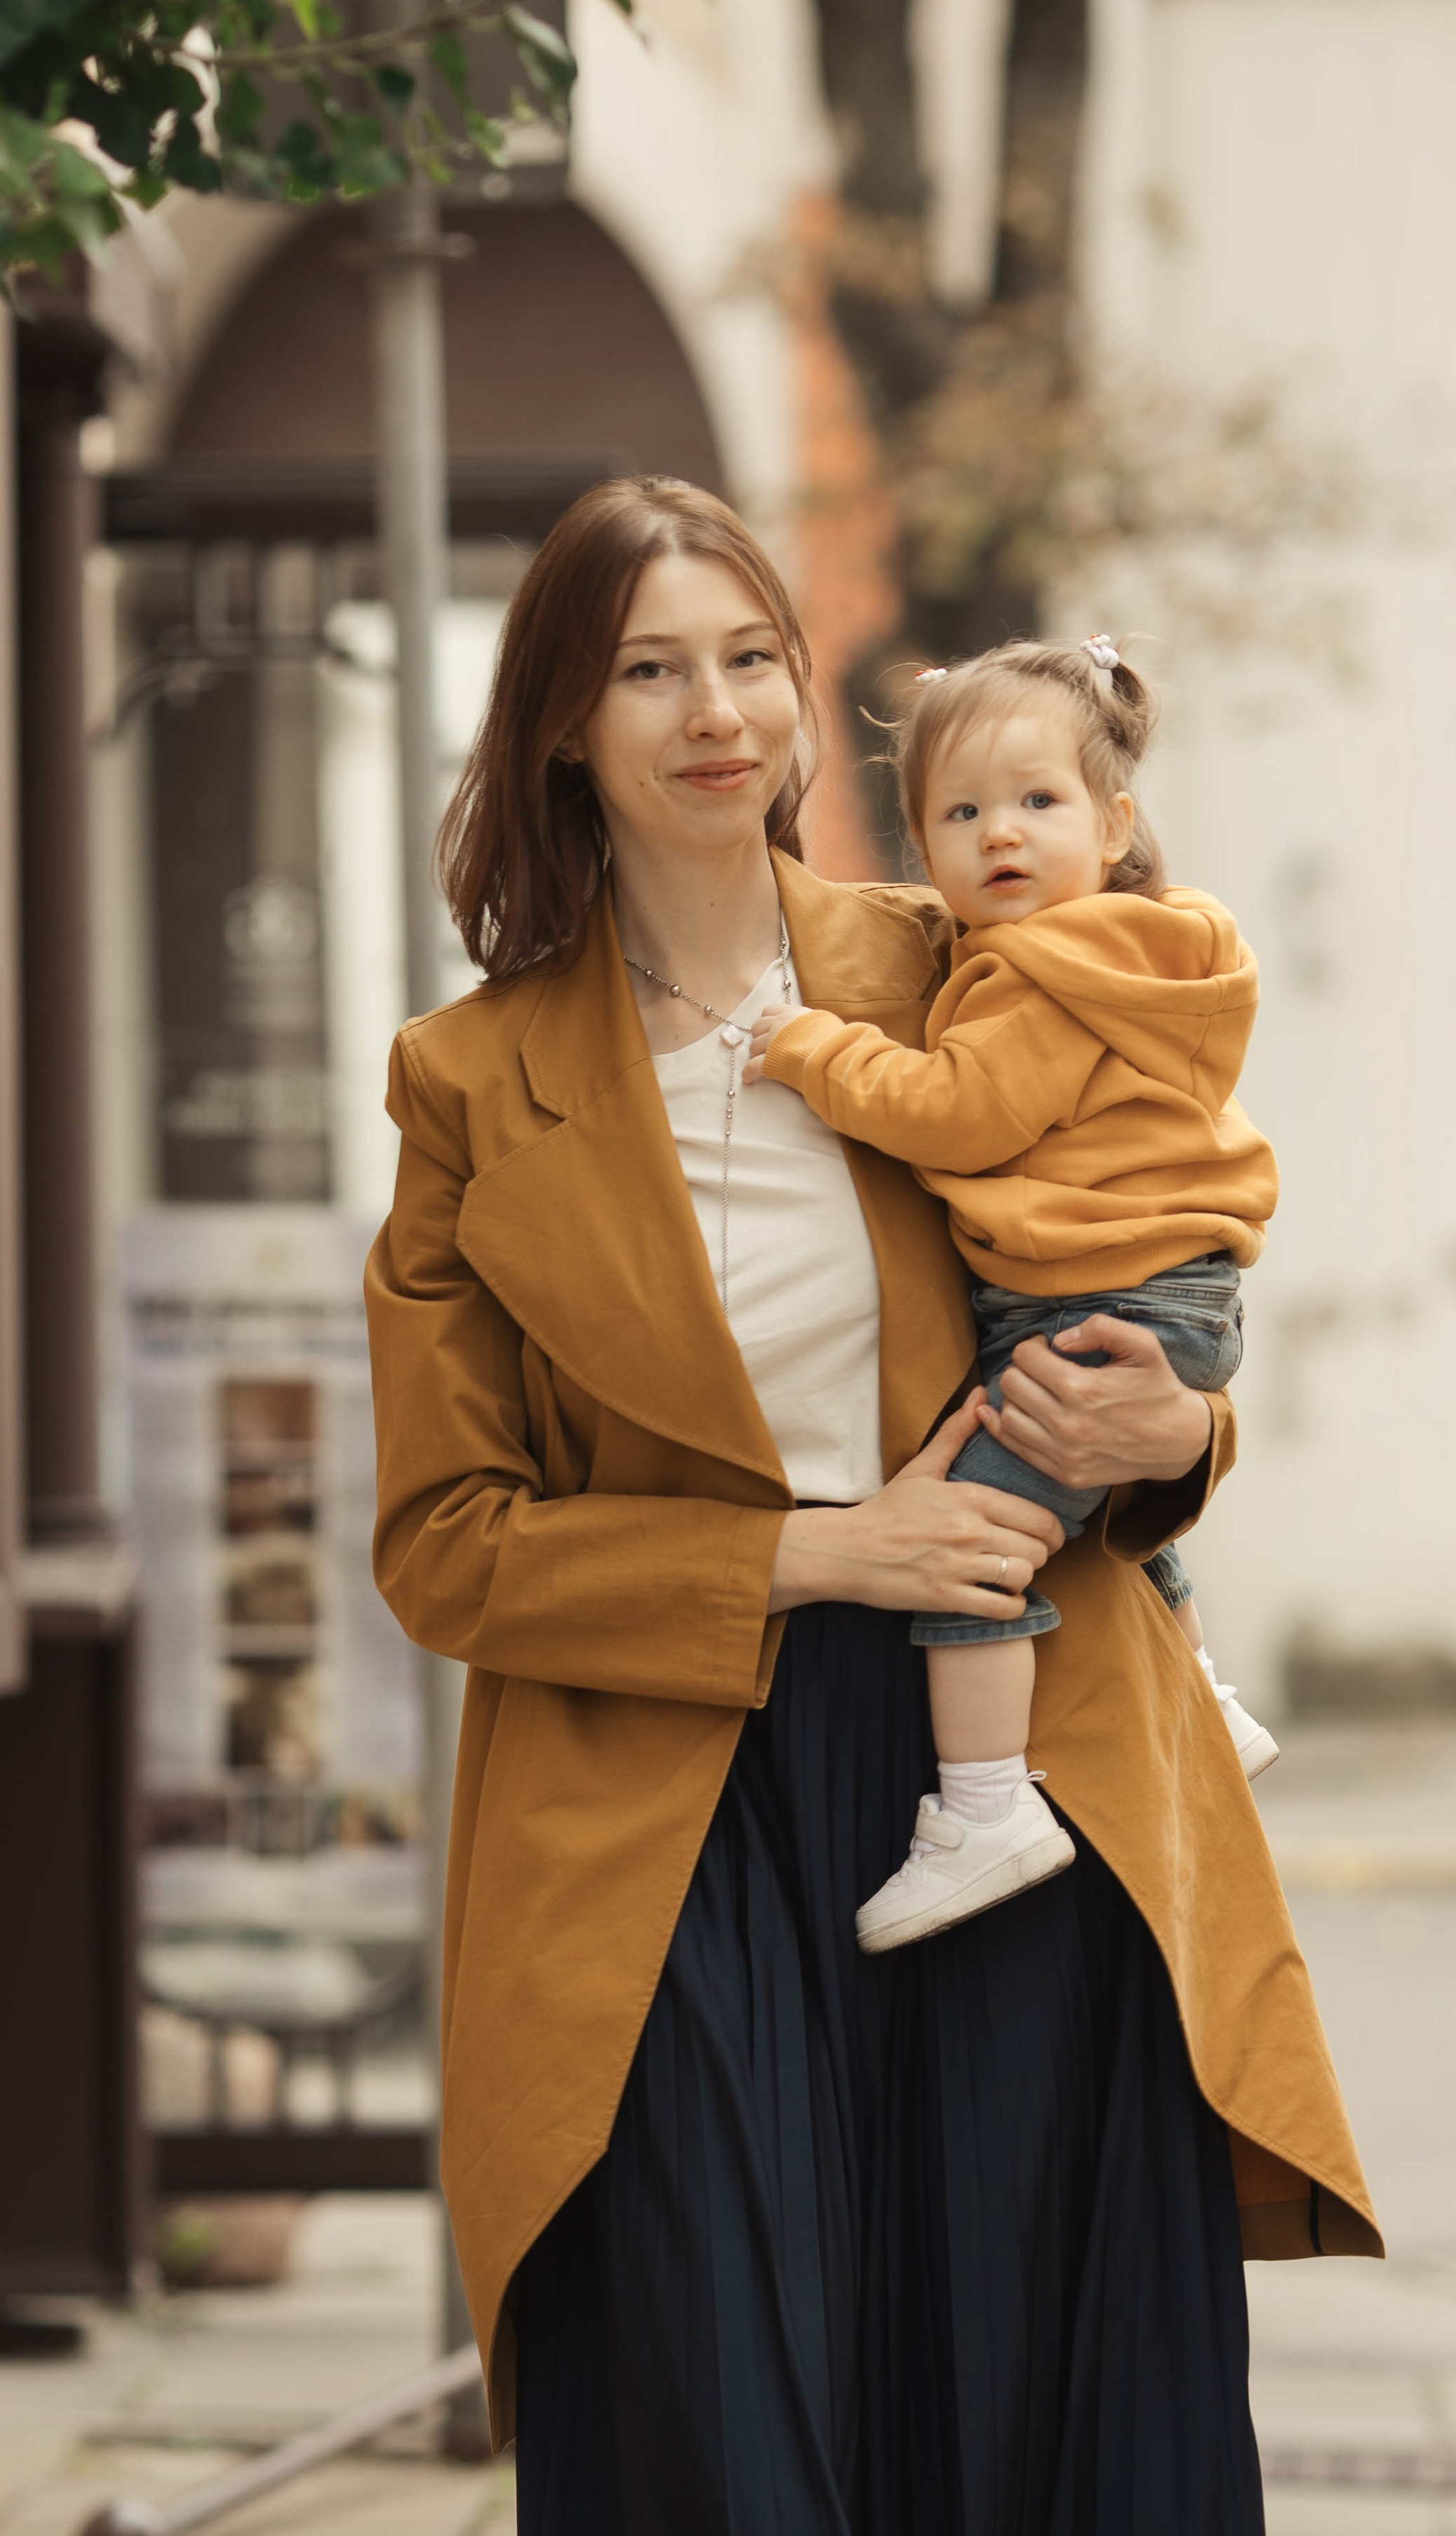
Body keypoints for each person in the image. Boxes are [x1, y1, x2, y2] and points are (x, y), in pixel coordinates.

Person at [365, 476, 1379, 2535]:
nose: (713, 711)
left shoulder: (972, 964)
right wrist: (819, 1551)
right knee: (720, 2411)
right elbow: (444, 1541)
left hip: (1010, 1767)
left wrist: (1171, 1428)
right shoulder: (468, 1083)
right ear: (560, 721)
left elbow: (1163, 1240)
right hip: (667, 1811)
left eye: (750, 656)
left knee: (1021, 2410)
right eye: (648, 670)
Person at [743, 635, 1280, 1956]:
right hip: (1168, 1295)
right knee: (1103, 1512)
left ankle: (984, 1806)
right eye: (961, 812)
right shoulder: (1137, 953)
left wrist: (817, 1050)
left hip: (1095, 1304)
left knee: (975, 1542)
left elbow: (959, 1112)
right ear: (920, 844)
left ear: (1114, 825)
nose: (999, 834)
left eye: (1038, 801)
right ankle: (1205, 1693)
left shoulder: (1052, 971)